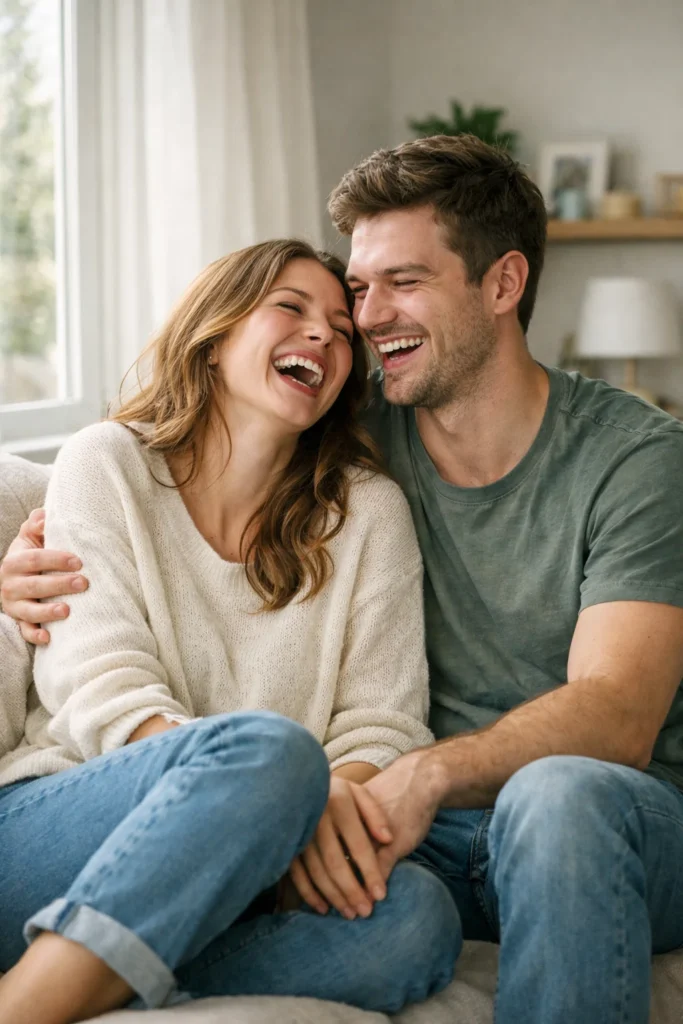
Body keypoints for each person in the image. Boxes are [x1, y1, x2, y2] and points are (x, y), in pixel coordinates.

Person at [6, 136, 683, 1023]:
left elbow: (614, 714)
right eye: (357, 289)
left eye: (401, 282)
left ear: (502, 284)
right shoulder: (347, 425)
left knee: (494, 850)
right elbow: (110, 626)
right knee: (340, 840)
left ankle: (105, 950)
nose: (356, 323)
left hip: (551, 812)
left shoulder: (623, 459)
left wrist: (410, 780)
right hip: (332, 822)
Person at [0, 238, 460, 1024]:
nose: (323, 334)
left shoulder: (368, 514)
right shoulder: (104, 462)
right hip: (56, 824)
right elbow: (95, 683)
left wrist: (283, 817)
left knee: (417, 916)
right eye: (290, 308)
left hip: (250, 857)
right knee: (267, 749)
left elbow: (381, 724)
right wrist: (259, 788)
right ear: (213, 340)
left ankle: (103, 963)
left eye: (342, 331)